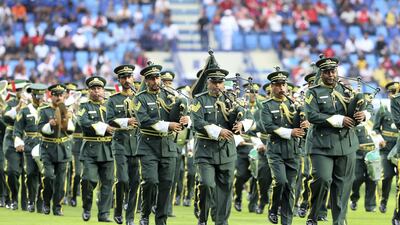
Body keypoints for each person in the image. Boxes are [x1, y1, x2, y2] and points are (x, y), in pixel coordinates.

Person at [305, 55, 364, 225]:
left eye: (334, 71)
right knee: (322, 180)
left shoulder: (347, 90)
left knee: (343, 186)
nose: (331, 74)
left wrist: (364, 114)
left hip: (346, 144)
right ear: (321, 73)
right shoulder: (313, 92)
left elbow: (362, 103)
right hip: (321, 145)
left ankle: (339, 221)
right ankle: (313, 215)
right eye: (327, 72)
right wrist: (338, 120)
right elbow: (312, 115)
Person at [191, 66, 248, 225]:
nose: (217, 85)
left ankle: (221, 221)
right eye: (214, 82)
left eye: (220, 82)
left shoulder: (232, 99)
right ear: (208, 82)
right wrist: (218, 131)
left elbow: (247, 115)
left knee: (225, 188)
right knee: (206, 184)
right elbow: (197, 122)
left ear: (224, 83)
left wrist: (242, 124)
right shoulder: (200, 100)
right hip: (205, 151)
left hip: (226, 152)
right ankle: (203, 216)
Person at [134, 63, 186, 225]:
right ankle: (145, 213)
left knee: (166, 184)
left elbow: (178, 115)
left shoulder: (170, 96)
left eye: (157, 77)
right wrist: (168, 125)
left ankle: (161, 220)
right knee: (150, 181)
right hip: (148, 145)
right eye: (151, 78)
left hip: (168, 145)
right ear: (146, 81)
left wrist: (186, 119)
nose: (155, 81)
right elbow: (144, 121)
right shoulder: (140, 98)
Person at [262, 68, 305, 225]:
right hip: (276, 151)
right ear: (272, 87)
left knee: (290, 188)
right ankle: (273, 208)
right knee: (280, 181)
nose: (281, 88)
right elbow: (268, 126)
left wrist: (305, 123)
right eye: (277, 85)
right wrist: (290, 132)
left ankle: (287, 222)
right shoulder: (266, 105)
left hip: (293, 151)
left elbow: (303, 123)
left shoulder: (295, 104)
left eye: (283, 85)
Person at [106, 64, 140, 225]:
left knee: (135, 182)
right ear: (119, 80)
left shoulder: (140, 97)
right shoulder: (113, 99)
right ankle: (119, 209)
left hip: (138, 145)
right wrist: (127, 121)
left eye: (129, 77)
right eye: (123, 78)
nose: (127, 80)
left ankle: (130, 217)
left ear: (133, 78)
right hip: (120, 144)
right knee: (123, 179)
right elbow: (110, 120)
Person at [78, 76, 115, 222]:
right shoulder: (84, 106)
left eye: (99, 88)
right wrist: (105, 127)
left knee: (107, 183)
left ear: (104, 90)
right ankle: (86, 208)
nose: (96, 91)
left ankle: (104, 214)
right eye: (93, 89)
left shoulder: (110, 105)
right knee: (88, 180)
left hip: (108, 148)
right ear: (89, 91)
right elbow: (84, 122)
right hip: (90, 149)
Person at [38, 84, 75, 215]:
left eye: (61, 95)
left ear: (64, 96)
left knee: (60, 181)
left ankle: (57, 207)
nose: (58, 97)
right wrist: (49, 124)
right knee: (48, 176)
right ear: (51, 96)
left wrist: (67, 117)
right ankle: (46, 203)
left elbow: (71, 130)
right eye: (56, 95)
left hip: (64, 148)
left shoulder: (68, 110)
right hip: (48, 148)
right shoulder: (44, 110)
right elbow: (40, 129)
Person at [13, 83, 47, 213]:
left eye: (41, 95)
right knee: (31, 173)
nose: (39, 98)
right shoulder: (25, 110)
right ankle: (31, 201)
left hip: (45, 145)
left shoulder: (47, 109)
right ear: (32, 96)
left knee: (44, 175)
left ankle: (42, 201)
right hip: (29, 145)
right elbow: (17, 129)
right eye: (37, 95)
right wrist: (18, 142)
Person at [3, 79, 30, 211]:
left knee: (28, 173)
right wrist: (19, 106)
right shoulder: (10, 103)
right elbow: (6, 118)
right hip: (11, 139)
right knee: (12, 171)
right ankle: (14, 198)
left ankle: (26, 202)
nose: (22, 93)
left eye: (24, 90)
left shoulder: (33, 104)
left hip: (28, 139)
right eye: (19, 90)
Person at [373, 82, 399, 214]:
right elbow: (375, 128)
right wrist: (380, 140)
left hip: (398, 147)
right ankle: (383, 200)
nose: (394, 95)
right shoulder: (383, 108)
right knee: (387, 176)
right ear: (388, 94)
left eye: (396, 92)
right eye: (392, 92)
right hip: (386, 146)